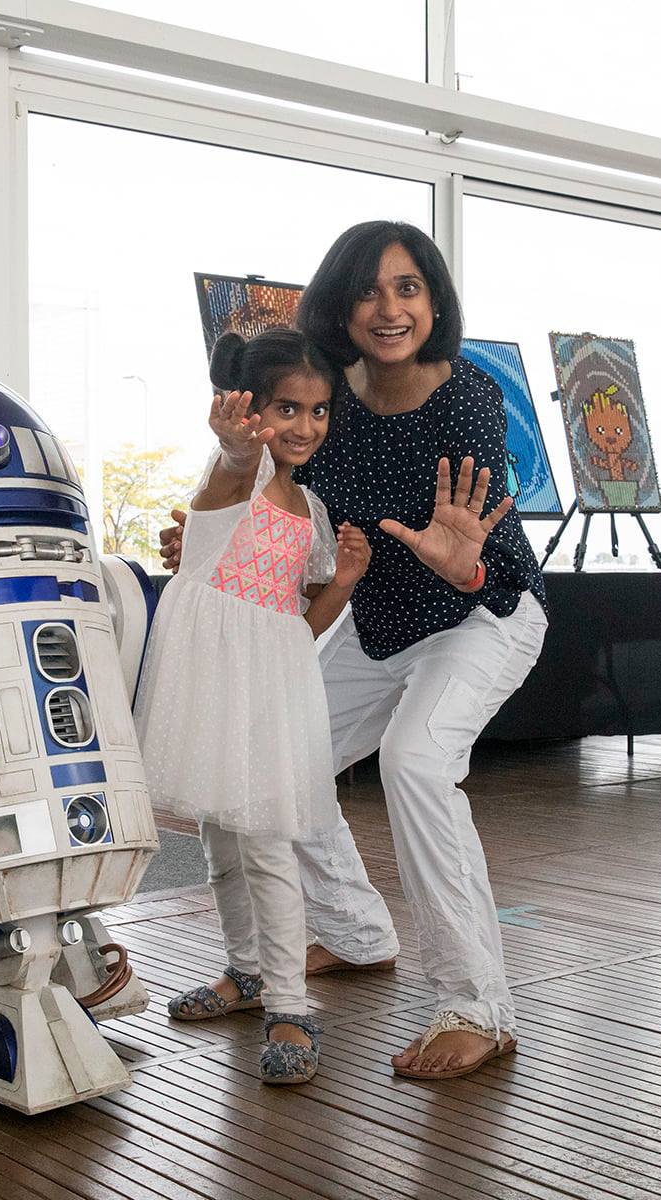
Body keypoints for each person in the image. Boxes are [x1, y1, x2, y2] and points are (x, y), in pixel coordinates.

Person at [161, 220, 548, 1081]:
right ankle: (353, 931)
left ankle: (477, 1002)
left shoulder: (467, 398)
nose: (389, 307)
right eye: (370, 289)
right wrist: (207, 535)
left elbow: (470, 539)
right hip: (377, 622)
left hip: (483, 610)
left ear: (434, 301)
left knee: (415, 760)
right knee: (275, 756)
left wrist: (465, 558)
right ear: (339, 304)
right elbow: (267, 497)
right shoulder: (323, 394)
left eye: (409, 287)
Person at [137, 329, 371, 1085]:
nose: (304, 426)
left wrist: (342, 585)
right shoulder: (232, 477)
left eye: (318, 410)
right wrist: (238, 445)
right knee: (222, 846)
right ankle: (244, 974)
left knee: (267, 845)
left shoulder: (310, 505)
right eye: (285, 408)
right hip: (209, 687)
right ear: (251, 409)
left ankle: (292, 1004)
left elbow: (298, 625)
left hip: (271, 685)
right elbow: (237, 466)